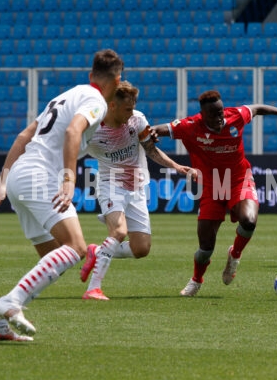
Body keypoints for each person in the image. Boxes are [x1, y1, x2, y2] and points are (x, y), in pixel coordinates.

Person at [0, 49, 124, 341]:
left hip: (20, 175)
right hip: (41, 176)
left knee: (55, 254)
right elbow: (73, 132)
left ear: (90, 75)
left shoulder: (64, 96)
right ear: (117, 80)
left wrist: (3, 181)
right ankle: (9, 303)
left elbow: (23, 136)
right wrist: (69, 179)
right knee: (76, 247)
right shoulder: (96, 101)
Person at [152, 90, 277, 297]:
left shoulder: (234, 116)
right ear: (203, 114)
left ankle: (234, 255)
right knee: (205, 249)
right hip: (211, 186)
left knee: (249, 220)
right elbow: (161, 129)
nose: (220, 117)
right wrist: (154, 133)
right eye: (214, 114)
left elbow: (256, 109)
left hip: (239, 179)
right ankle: (196, 280)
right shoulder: (190, 126)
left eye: (221, 112)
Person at [79, 81, 196, 300]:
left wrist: (176, 166)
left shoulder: (137, 120)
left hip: (137, 188)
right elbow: (68, 149)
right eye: (127, 108)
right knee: (119, 231)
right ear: (112, 106)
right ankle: (93, 288)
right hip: (110, 184)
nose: (132, 112)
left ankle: (98, 251)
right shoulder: (92, 130)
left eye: (133, 107)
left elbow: (150, 150)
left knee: (141, 249)